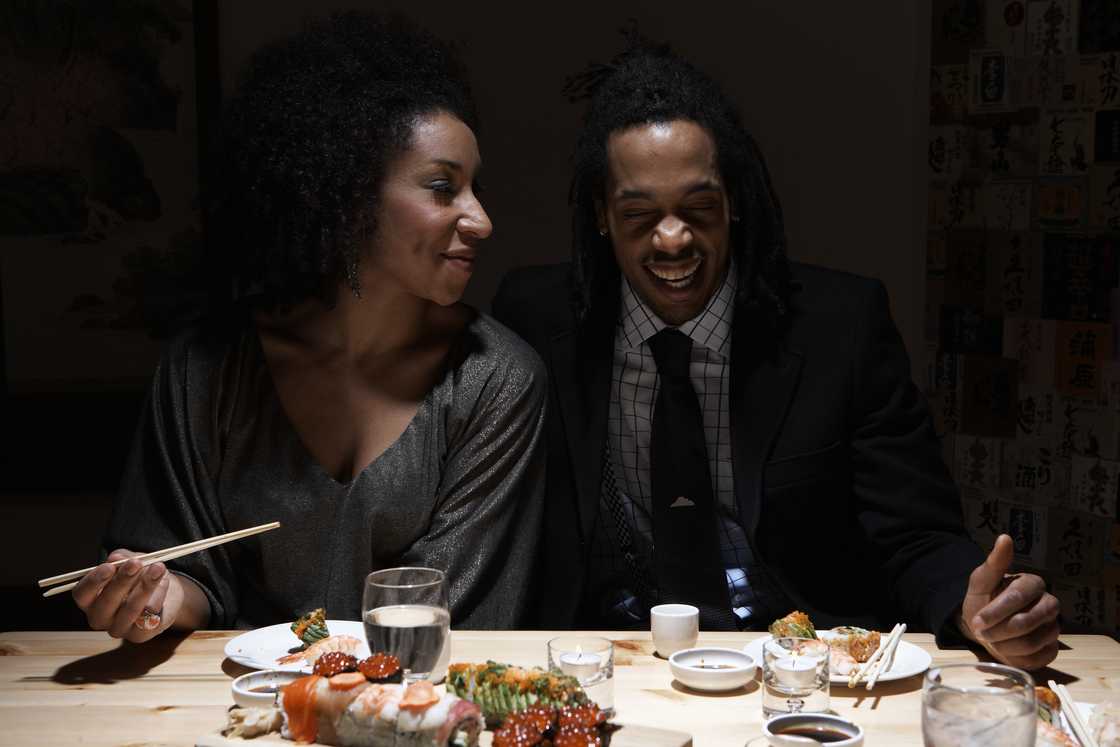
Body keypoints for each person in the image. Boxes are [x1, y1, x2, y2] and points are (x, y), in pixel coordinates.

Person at [493, 43, 1059, 670]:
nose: (673, 237)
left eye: (699, 207)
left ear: (734, 202)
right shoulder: (536, 319)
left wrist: (973, 607)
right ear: (600, 214)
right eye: (638, 214)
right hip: (612, 660)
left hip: (801, 662)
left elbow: (914, 532)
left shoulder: (840, 327)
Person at [72, 12, 546, 642]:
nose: (481, 220)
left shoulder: (497, 381)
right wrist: (153, 596)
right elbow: (188, 579)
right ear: (347, 194)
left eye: (474, 189)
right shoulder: (208, 366)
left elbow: (442, 621)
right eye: (442, 187)